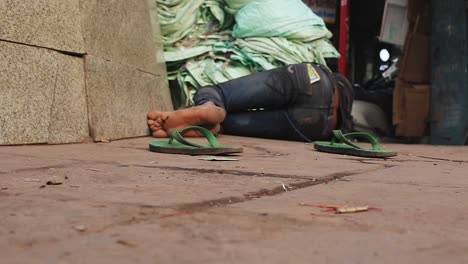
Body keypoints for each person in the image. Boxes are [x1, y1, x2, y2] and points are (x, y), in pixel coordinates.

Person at [147, 62, 354, 142]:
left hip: (311, 80)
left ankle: (209, 106)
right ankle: (213, 125)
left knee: (217, 92)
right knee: (224, 126)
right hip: (318, 127)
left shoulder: (338, 79)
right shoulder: (348, 122)